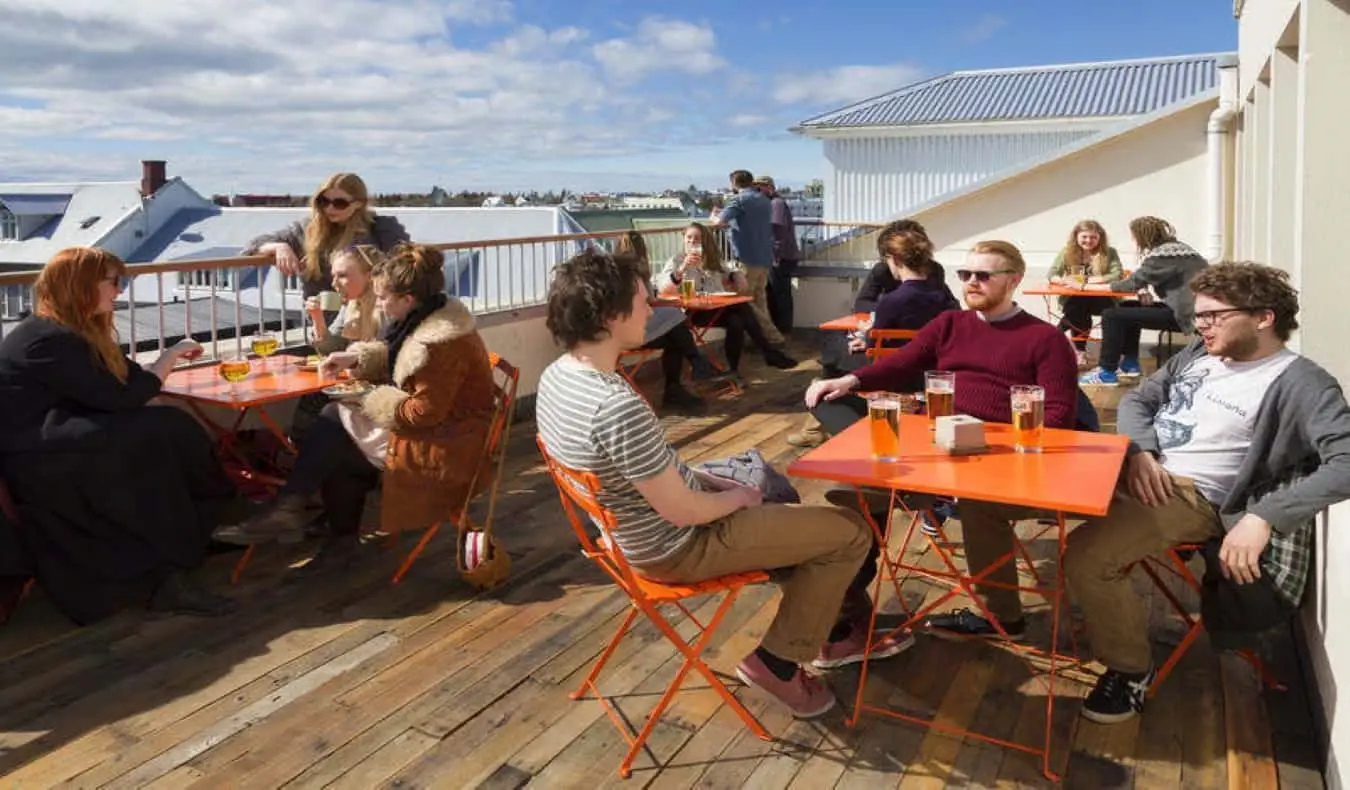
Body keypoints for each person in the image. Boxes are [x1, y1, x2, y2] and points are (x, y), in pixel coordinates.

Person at [537, 247, 913, 718]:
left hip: (621, 536)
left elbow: (643, 476)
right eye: (642, 300)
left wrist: (715, 482)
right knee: (847, 532)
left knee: (783, 503)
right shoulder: (615, 406)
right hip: (674, 547)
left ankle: (834, 632)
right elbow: (682, 513)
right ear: (610, 315)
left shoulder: (558, 378)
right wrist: (740, 496)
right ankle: (776, 663)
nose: (652, 308)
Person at [1064, 262, 1350, 723]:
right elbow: (1139, 400)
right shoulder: (1201, 353)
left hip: (1192, 496)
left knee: (1087, 555)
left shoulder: (1303, 383)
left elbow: (1347, 461)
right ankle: (1000, 615)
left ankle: (1131, 669)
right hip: (1139, 466)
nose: (1201, 325)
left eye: (1213, 315)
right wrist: (1141, 452)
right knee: (1006, 492)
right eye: (1198, 316)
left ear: (1263, 317)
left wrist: (1266, 515)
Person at [805, 241, 1079, 637]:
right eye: (965, 275)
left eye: (983, 275)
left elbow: (1057, 417)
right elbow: (904, 361)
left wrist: (988, 442)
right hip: (936, 443)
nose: (971, 282)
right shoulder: (952, 324)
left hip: (999, 459)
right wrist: (850, 380)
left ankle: (1001, 615)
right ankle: (845, 603)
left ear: (1014, 280)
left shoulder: (1044, 339)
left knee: (977, 501)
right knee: (853, 488)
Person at [215, 244, 496, 570]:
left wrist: (368, 399)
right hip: (441, 429)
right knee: (336, 435)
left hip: (449, 446)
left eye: (382, 298)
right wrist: (357, 357)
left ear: (406, 299)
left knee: (335, 430)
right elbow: (395, 356)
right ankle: (316, 525)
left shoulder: (440, 343)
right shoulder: (426, 316)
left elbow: (423, 413)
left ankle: (305, 518)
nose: (377, 303)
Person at [0, 247, 238, 623]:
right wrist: (171, 357)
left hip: (67, 439)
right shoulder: (47, 340)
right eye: (114, 282)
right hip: (40, 459)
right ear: (81, 285)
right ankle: (182, 557)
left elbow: (126, 382)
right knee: (163, 435)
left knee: (165, 433)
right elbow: (123, 395)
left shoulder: (70, 331)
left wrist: (164, 361)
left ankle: (192, 543)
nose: (119, 291)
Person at [788, 219, 957, 448]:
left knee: (832, 350)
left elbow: (875, 329)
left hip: (892, 363)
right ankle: (819, 414)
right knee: (837, 353)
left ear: (894, 257)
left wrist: (869, 333)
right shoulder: (938, 291)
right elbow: (951, 314)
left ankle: (822, 409)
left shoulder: (892, 299)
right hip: (930, 364)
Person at [1079, 216, 1208, 385]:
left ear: (1142, 236)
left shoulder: (1163, 255)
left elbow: (1130, 283)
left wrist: (1084, 287)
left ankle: (1106, 372)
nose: (1133, 240)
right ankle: (1130, 364)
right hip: (1192, 309)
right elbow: (1141, 280)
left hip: (1185, 315)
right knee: (1127, 306)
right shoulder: (1179, 249)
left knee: (1111, 315)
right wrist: (1142, 288)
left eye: (1134, 236)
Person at [243, 172, 410, 302]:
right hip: (322, 320)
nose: (330, 208)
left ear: (359, 203)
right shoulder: (308, 230)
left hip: (369, 316)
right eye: (323, 201)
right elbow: (251, 248)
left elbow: (404, 266)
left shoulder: (381, 228)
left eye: (339, 203)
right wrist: (279, 247)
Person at [656, 223, 797, 376]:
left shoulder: (712, 261)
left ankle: (734, 370)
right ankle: (768, 352)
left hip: (714, 308)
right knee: (742, 306)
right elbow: (663, 288)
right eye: (689, 238)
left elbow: (729, 269)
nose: (692, 242)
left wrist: (735, 274)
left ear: (705, 242)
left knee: (736, 320)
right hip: (692, 312)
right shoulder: (676, 261)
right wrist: (682, 269)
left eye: (697, 239)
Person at [612, 231, 718, 413]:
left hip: (630, 331)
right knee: (674, 321)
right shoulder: (633, 276)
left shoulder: (617, 274)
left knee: (674, 335)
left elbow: (650, 302)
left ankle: (676, 387)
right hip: (630, 334)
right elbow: (648, 303)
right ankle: (695, 365)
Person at [710, 170, 791, 352]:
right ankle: (766, 338)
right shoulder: (764, 200)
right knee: (759, 300)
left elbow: (720, 222)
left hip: (747, 256)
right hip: (765, 256)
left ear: (734, 183)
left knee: (745, 299)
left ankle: (772, 336)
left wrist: (714, 216)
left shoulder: (739, 200)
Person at [1047, 220, 1124, 367]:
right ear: (1076, 236)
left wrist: (1088, 282)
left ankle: (1055, 334)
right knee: (1079, 307)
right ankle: (1079, 352)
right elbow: (1052, 273)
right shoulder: (1067, 251)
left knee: (1079, 307)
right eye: (1084, 237)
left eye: (1093, 237)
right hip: (1074, 298)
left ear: (1100, 238)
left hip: (1102, 298)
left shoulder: (1109, 252)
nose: (1088, 241)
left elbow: (1117, 275)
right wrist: (1061, 280)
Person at [754, 175, 800, 336]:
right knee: (776, 294)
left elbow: (777, 232)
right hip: (780, 257)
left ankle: (782, 331)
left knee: (779, 295)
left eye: (759, 187)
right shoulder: (774, 204)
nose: (757, 191)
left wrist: (775, 257)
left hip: (780, 258)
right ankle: (780, 331)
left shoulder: (776, 204)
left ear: (769, 187)